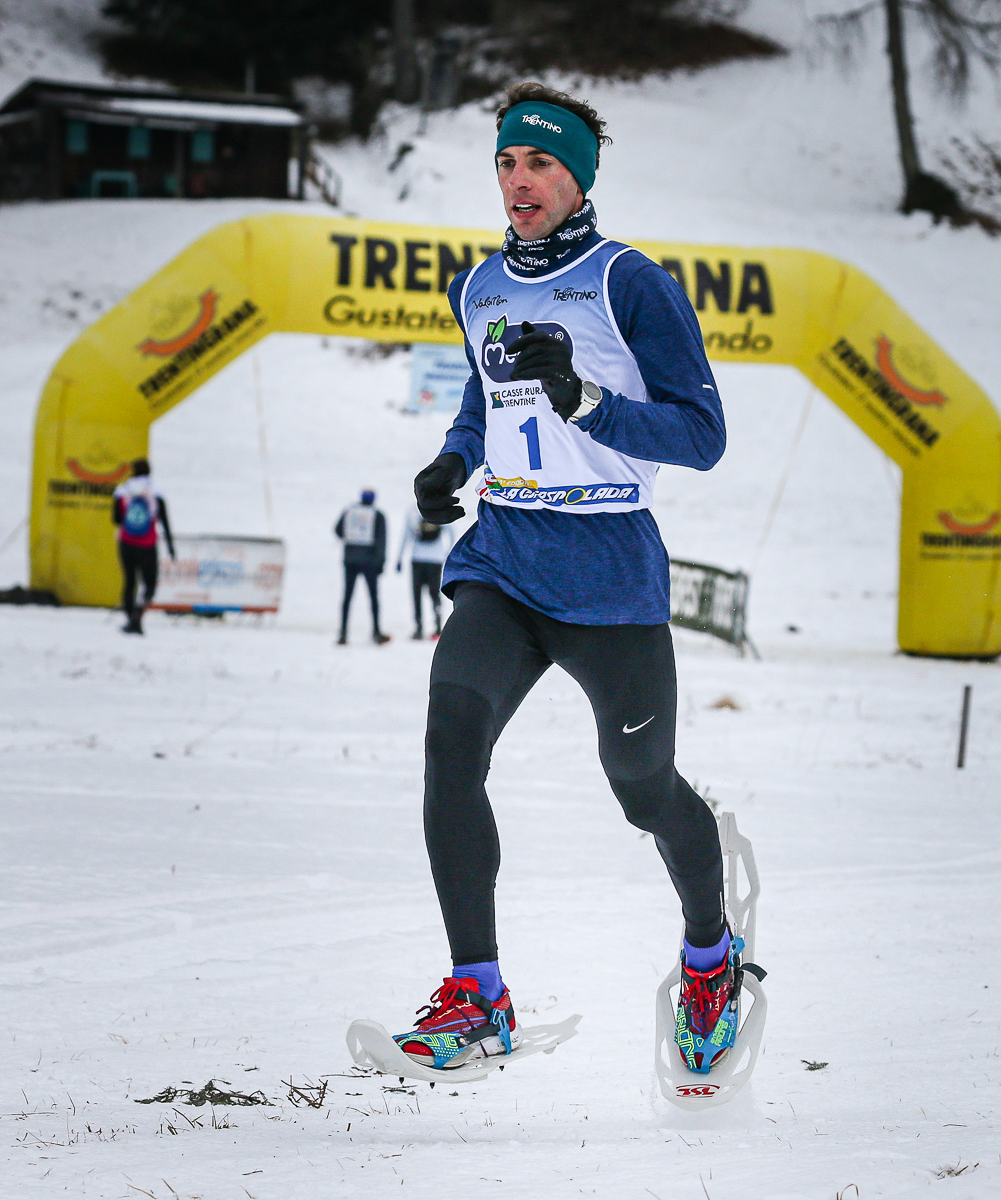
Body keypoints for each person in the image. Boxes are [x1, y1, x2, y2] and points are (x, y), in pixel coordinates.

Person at [390, 82, 754, 1076]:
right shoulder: (479, 288)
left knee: (642, 790)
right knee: (449, 742)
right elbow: (484, 397)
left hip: (608, 574)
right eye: (507, 162)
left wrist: (589, 403)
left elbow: (703, 435)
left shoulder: (629, 283)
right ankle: (479, 995)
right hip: (504, 557)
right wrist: (453, 464)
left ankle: (711, 954)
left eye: (540, 163)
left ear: (578, 177)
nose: (519, 181)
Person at [111, 458, 175, 635]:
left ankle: (130, 619)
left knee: (130, 581)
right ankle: (137, 616)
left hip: (126, 542)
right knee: (150, 584)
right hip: (147, 544)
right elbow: (164, 521)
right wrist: (170, 546)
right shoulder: (155, 491)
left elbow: (116, 519)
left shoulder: (123, 490)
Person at [334, 489, 390, 646]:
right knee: (373, 597)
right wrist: (381, 562)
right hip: (369, 561)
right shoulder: (377, 515)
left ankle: (343, 632)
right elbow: (381, 541)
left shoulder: (350, 511)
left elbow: (338, 530)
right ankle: (376, 631)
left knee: (347, 597)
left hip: (350, 559)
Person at [396, 506, 456, 640]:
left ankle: (419, 628)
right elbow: (451, 531)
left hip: (417, 558)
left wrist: (399, 558)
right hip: (435, 559)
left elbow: (406, 535)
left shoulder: (412, 511)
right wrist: (449, 553)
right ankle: (437, 626)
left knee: (416, 594)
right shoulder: (440, 509)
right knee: (435, 593)